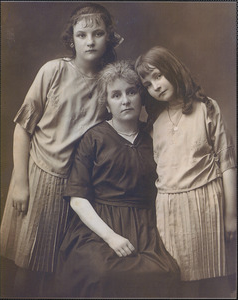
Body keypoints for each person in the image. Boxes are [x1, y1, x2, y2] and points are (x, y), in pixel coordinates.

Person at [0, 3, 124, 297]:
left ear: (110, 38)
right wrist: (20, 182)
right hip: (40, 175)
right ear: (72, 39)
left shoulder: (110, 82)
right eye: (82, 35)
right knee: (28, 263)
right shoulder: (53, 71)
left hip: (79, 186)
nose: (90, 41)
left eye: (97, 33)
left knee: (63, 265)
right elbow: (23, 127)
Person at [53, 60, 181, 298]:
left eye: (131, 92)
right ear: (107, 104)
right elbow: (77, 199)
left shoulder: (154, 135)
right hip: (98, 226)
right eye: (116, 95)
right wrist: (110, 237)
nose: (125, 100)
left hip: (146, 227)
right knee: (103, 273)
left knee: (165, 272)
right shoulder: (94, 138)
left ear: (141, 97)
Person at [135, 45, 237, 298]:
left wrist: (231, 215)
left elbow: (227, 164)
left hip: (206, 204)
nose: (155, 86)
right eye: (148, 84)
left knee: (214, 281)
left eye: (158, 76)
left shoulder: (207, 108)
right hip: (169, 208)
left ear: (172, 69)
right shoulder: (154, 123)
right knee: (179, 281)